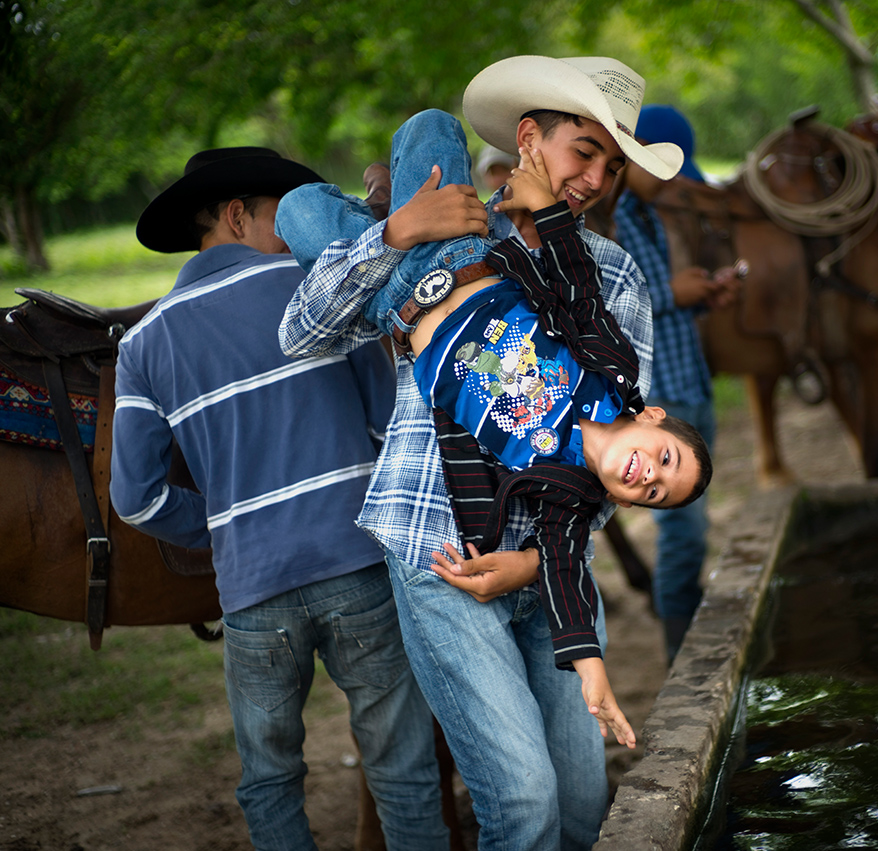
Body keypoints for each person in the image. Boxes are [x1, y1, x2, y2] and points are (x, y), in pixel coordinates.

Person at [279, 55, 676, 850]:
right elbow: (301, 334)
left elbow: (626, 449)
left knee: (580, 807)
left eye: (613, 165)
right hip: (439, 547)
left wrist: (535, 564)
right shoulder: (442, 227)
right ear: (530, 137)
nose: (597, 178)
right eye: (584, 151)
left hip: (553, 564)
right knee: (522, 804)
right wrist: (395, 234)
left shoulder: (615, 273)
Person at [110, 147, 449, 851]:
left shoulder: (144, 341)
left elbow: (134, 498)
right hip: (358, 566)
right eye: (283, 219)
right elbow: (391, 429)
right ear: (237, 216)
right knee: (404, 768)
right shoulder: (323, 289)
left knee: (268, 778)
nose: (298, 236)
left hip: (252, 591)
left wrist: (227, 528)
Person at [610, 103, 741, 662]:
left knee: (693, 528)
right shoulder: (612, 222)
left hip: (689, 378)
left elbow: (658, 296)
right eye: (660, 167)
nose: (669, 182)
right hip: (662, 392)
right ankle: (679, 655)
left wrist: (700, 296)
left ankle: (682, 640)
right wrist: (676, 295)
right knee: (682, 535)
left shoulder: (649, 216)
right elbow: (616, 307)